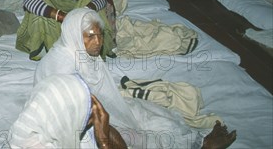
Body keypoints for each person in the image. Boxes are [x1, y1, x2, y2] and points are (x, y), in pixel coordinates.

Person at [34, 8, 237, 149]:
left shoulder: (82, 51)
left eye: (100, 35)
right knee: (142, 138)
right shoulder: (61, 66)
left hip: (97, 107)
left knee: (152, 113)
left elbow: (104, 92)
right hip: (78, 126)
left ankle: (197, 140)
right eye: (90, 36)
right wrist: (112, 132)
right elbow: (74, 116)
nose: (97, 42)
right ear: (75, 35)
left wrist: (118, 111)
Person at [8, 73, 127, 149]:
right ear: (64, 116)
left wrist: (105, 129)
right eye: (85, 106)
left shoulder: (51, 128)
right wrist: (103, 142)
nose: (93, 109)